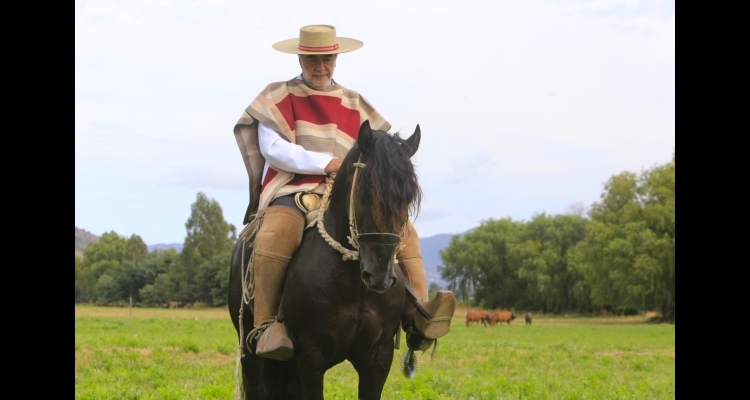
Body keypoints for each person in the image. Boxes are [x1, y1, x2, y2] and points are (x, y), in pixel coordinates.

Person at [233, 25, 455, 361]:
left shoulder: (355, 102)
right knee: (278, 229)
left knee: (403, 230)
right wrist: (327, 163)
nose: (321, 67)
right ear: (301, 57)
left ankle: (420, 314)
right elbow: (273, 149)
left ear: (336, 58)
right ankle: (267, 325)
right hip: (294, 186)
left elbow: (379, 151)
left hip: (349, 189)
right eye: (313, 60)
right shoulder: (276, 96)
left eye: (328, 60)